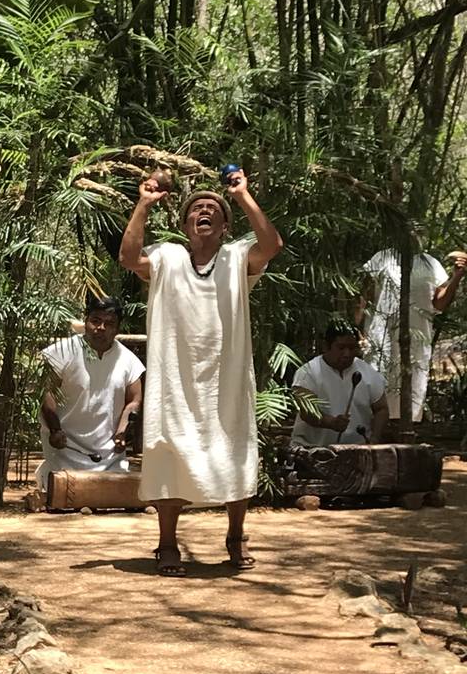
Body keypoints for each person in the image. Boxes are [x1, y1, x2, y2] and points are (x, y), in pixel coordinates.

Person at [119, 169, 283, 576]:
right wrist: (143, 204)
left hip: (225, 378)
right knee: (169, 454)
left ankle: (235, 536)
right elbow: (128, 258)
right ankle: (167, 544)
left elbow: (272, 245)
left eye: (213, 209)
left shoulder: (236, 257)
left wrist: (243, 196)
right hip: (175, 379)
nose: (204, 211)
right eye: (196, 208)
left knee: (232, 450)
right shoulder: (167, 257)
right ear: (186, 225)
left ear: (225, 226)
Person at [36, 296, 145, 491]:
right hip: (65, 449)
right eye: (95, 320)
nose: (101, 327)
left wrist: (122, 430)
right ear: (86, 321)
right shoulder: (62, 352)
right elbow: (46, 392)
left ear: (117, 329)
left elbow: (134, 400)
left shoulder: (129, 361)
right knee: (62, 490)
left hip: (110, 455)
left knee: (114, 493)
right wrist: (54, 430)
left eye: (109, 323)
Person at [357, 246, 466, 421]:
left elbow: (439, 304)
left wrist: (457, 277)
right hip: (382, 339)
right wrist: (356, 331)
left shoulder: (430, 264)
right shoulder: (382, 258)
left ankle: (406, 433)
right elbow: (363, 297)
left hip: (417, 338)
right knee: (378, 384)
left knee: (412, 385)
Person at [291, 320, 389, 447]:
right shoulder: (308, 373)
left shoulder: (368, 373)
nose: (347, 354)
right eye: (341, 347)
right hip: (312, 449)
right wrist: (331, 422)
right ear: (326, 346)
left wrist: (374, 438)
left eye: (352, 348)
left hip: (357, 450)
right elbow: (307, 411)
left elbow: (381, 408)